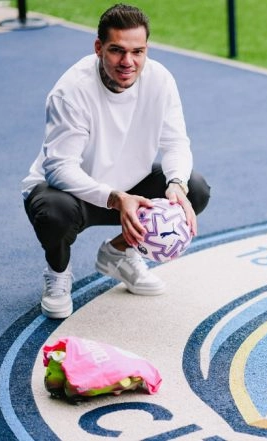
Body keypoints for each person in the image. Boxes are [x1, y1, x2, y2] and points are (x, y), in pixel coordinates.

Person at [21, 3, 210, 319]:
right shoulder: (71, 91)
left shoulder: (160, 80)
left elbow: (176, 143)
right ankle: (57, 274)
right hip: (73, 194)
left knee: (195, 188)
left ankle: (118, 253)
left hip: (129, 188)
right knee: (54, 214)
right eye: (117, 51)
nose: (128, 62)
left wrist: (176, 184)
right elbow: (59, 168)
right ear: (98, 48)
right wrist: (114, 198)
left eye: (138, 51)